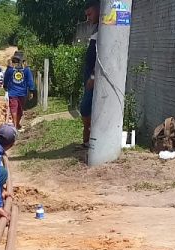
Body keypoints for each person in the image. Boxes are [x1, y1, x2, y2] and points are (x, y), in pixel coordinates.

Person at [80, 0, 100, 150]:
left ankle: (89, 139)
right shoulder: (98, 29)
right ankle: (87, 140)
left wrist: (93, 77)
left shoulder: (106, 31)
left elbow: (101, 58)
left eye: (90, 13)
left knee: (86, 107)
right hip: (89, 75)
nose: (88, 18)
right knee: (87, 107)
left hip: (93, 76)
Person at [3, 53, 36, 128]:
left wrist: (31, 90)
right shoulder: (11, 70)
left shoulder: (26, 70)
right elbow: (6, 78)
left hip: (22, 93)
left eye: (17, 61)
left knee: (20, 111)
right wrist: (5, 86)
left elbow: (30, 81)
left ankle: (17, 123)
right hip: (13, 93)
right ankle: (14, 125)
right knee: (14, 108)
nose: (16, 63)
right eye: (15, 61)